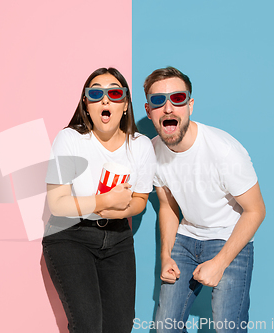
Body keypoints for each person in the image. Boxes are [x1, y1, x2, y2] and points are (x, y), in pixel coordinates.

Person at [143, 67, 266, 333]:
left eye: (177, 98)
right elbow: (167, 206)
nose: (167, 108)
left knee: (227, 328)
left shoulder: (224, 151)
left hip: (229, 237)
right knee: (166, 328)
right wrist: (165, 256)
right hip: (186, 240)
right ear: (148, 110)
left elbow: (256, 211)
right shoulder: (152, 151)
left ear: (190, 105)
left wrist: (220, 263)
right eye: (157, 101)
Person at [42, 67, 156, 333]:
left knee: (120, 327)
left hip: (118, 239)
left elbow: (139, 200)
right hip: (70, 236)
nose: (105, 100)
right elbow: (58, 204)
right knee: (88, 326)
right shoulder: (69, 139)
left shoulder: (140, 145)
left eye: (115, 93)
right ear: (86, 104)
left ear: (125, 104)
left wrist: (116, 213)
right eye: (96, 93)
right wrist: (105, 201)